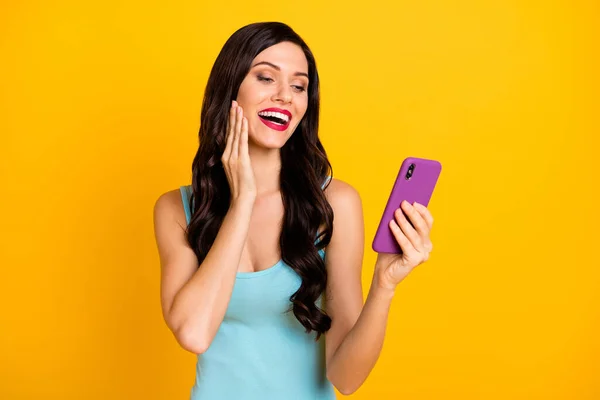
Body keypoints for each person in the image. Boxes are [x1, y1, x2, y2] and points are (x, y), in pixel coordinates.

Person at [153, 21, 434, 399]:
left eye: (299, 86)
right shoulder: (177, 208)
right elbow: (194, 332)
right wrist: (242, 201)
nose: (285, 96)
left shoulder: (335, 205)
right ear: (229, 89)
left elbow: (346, 378)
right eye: (266, 78)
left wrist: (384, 284)